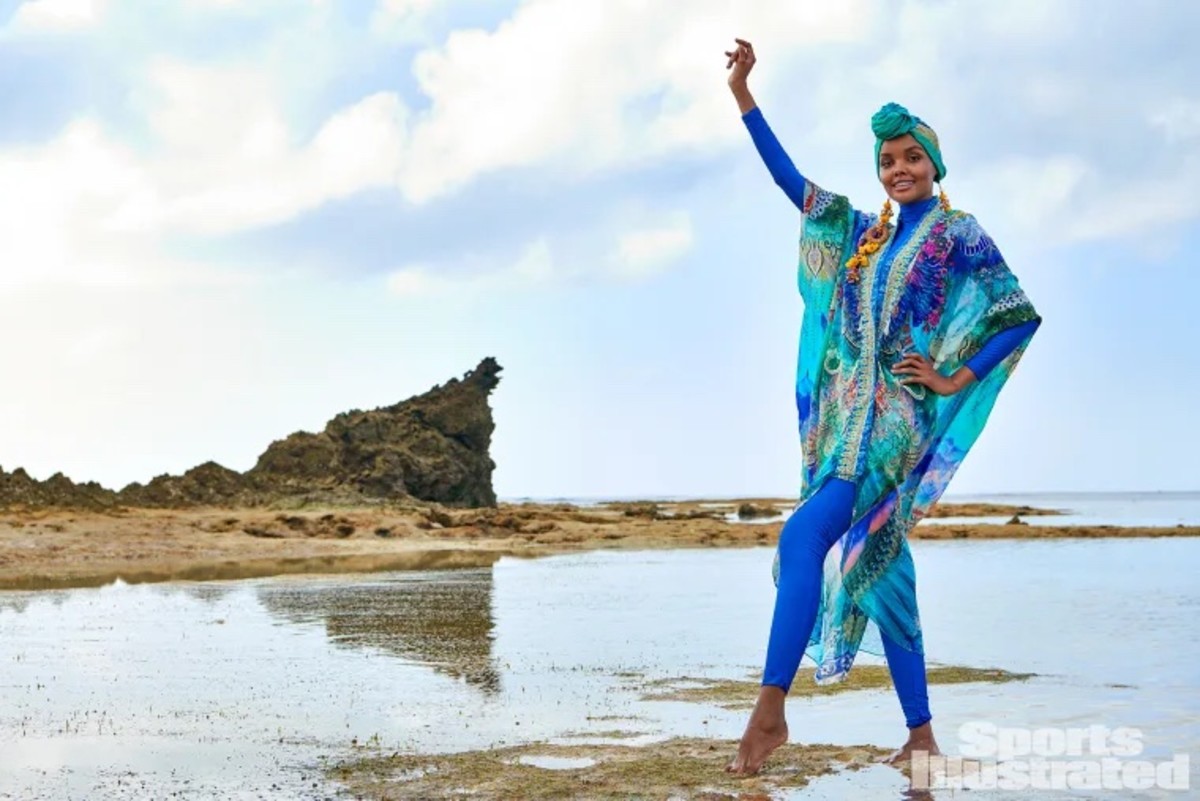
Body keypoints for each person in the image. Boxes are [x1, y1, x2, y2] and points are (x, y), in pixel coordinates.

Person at [721, 38, 1042, 775]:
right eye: (887, 162)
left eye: (910, 157)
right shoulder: (864, 239)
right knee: (885, 571)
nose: (899, 170)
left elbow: (1017, 313)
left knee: (802, 541)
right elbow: (792, 185)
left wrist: (956, 376)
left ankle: (769, 711)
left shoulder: (958, 235)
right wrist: (744, 96)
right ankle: (922, 736)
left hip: (894, 433)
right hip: (844, 431)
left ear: (935, 164)